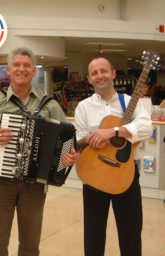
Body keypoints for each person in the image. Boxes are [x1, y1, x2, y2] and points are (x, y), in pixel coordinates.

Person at [0, 47, 78, 256]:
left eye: (27, 66)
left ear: (34, 71)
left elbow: (68, 138)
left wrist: (69, 156)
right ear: (9, 70)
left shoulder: (49, 104)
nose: (21, 69)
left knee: (31, 244)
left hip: (35, 182)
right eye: (17, 65)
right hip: (0, 180)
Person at [75, 57, 153, 256]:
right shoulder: (83, 107)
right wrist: (91, 139)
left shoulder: (129, 102)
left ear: (114, 74)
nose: (100, 76)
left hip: (126, 174)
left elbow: (146, 128)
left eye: (104, 71)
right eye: (94, 73)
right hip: (94, 173)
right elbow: (77, 140)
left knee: (131, 233)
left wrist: (113, 132)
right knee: (93, 234)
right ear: (89, 79)